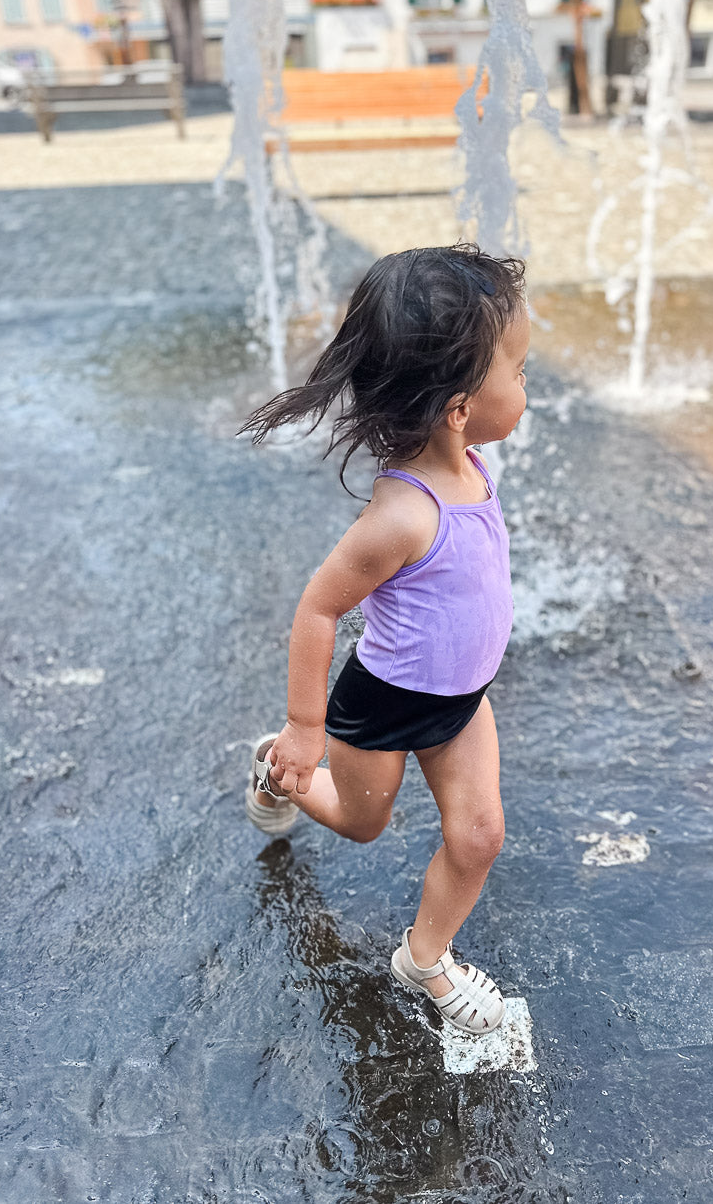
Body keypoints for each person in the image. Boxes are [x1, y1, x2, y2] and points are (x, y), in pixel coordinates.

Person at [240, 244, 529, 1036]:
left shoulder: (471, 464)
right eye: (520, 371)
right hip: (387, 705)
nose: (528, 386)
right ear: (460, 409)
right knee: (362, 822)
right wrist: (305, 728)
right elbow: (317, 610)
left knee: (480, 837)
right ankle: (277, 763)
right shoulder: (401, 517)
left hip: (462, 701)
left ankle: (424, 959)